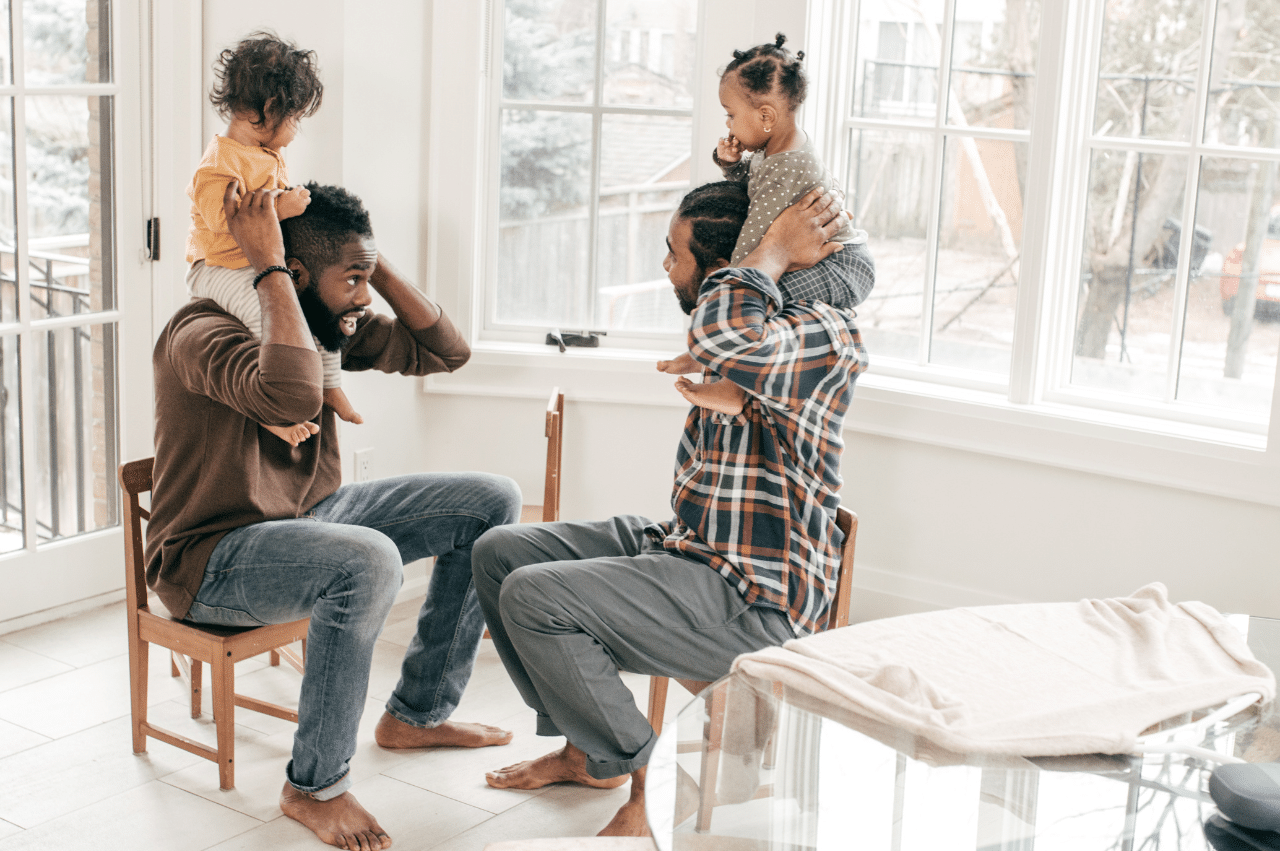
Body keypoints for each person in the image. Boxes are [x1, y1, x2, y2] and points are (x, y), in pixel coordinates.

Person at [472, 180, 868, 836]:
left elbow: (723, 334)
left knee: (534, 598)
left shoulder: (819, 333)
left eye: (675, 252)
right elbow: (721, 335)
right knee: (499, 553)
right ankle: (591, 754)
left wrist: (772, 250)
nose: (665, 266)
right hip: (691, 545)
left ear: (725, 266)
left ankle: (649, 781)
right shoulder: (751, 323)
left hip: (755, 597)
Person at [149, 180, 521, 851]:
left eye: (364, 279)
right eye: (351, 279)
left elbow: (447, 352)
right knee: (366, 560)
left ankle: (415, 716)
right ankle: (314, 786)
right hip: (212, 557)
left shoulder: (325, 325)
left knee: (490, 500)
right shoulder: (201, 332)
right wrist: (270, 268)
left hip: (313, 516)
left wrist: (369, 267)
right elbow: (289, 396)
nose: (363, 298)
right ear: (293, 275)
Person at [660, 33, 875, 416]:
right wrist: (731, 164)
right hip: (835, 258)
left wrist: (732, 281)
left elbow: (753, 242)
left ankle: (733, 385)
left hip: (842, 265)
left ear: (765, 117)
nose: (728, 123)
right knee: (754, 294)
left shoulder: (785, 166)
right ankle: (713, 355)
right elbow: (757, 188)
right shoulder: (777, 150)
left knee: (754, 300)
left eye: (730, 114)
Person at [184, 31, 364, 443]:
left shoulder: (266, 154)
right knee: (269, 323)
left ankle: (330, 384)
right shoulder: (219, 163)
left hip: (259, 263)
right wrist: (280, 207)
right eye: (295, 119)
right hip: (219, 267)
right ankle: (269, 413)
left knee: (316, 310)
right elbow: (225, 220)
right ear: (268, 110)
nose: (297, 129)